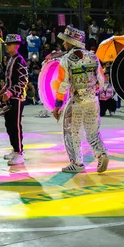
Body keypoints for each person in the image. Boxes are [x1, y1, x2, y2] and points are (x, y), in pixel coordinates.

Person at [52, 25, 109, 173]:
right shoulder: (93, 56)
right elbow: (101, 80)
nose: (63, 44)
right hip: (93, 100)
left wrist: (57, 105)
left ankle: (77, 163)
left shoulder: (66, 59)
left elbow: (63, 84)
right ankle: (101, 153)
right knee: (93, 132)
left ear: (72, 42)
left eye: (65, 41)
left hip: (77, 101)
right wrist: (94, 90)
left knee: (72, 131)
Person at [0, 34, 29, 166]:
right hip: (10, 97)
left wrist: (10, 92)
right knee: (9, 124)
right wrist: (3, 90)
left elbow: (23, 81)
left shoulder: (20, 60)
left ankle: (19, 152)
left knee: (15, 125)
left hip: (17, 98)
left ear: (16, 45)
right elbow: (9, 80)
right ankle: (15, 149)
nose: (7, 46)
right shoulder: (11, 59)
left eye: (9, 44)